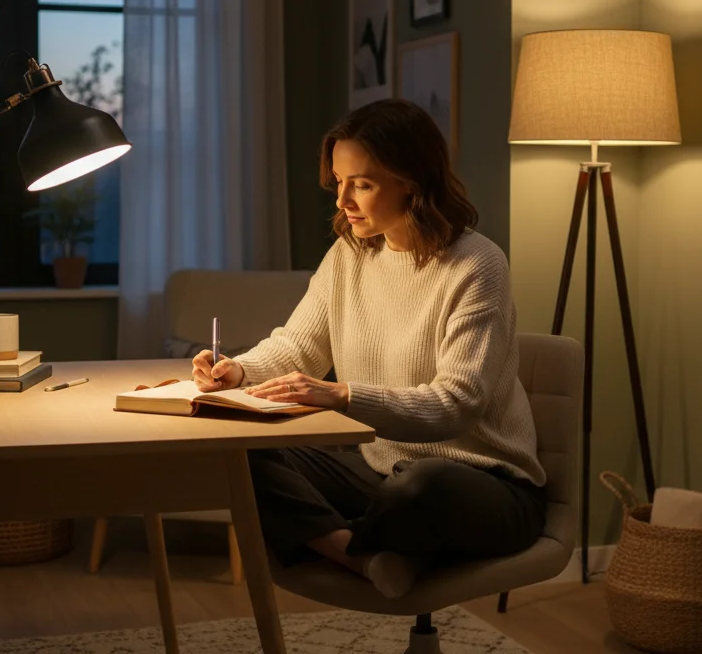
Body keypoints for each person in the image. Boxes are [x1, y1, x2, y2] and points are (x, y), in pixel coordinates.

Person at [190, 99, 545, 599]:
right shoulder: (349, 253)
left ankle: (349, 544)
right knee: (233, 450)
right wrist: (237, 372)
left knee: (422, 487)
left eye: (362, 183)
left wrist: (342, 396)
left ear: (412, 180)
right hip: (380, 474)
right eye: (338, 181)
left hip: (483, 485)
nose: (343, 201)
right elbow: (298, 345)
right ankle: (367, 556)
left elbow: (457, 404)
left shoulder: (477, 265)